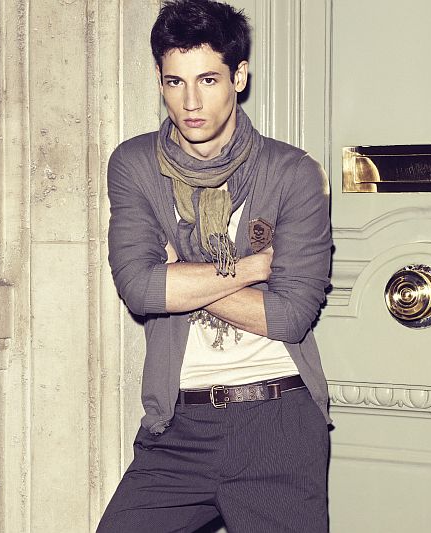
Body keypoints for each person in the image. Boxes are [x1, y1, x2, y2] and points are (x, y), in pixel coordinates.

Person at [99, 0, 332, 531]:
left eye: (207, 79)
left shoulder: (293, 173)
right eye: (174, 82)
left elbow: (290, 316)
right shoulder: (134, 165)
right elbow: (139, 289)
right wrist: (251, 269)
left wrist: (180, 274)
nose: (190, 102)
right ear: (159, 81)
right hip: (177, 425)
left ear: (238, 77)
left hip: (279, 418)